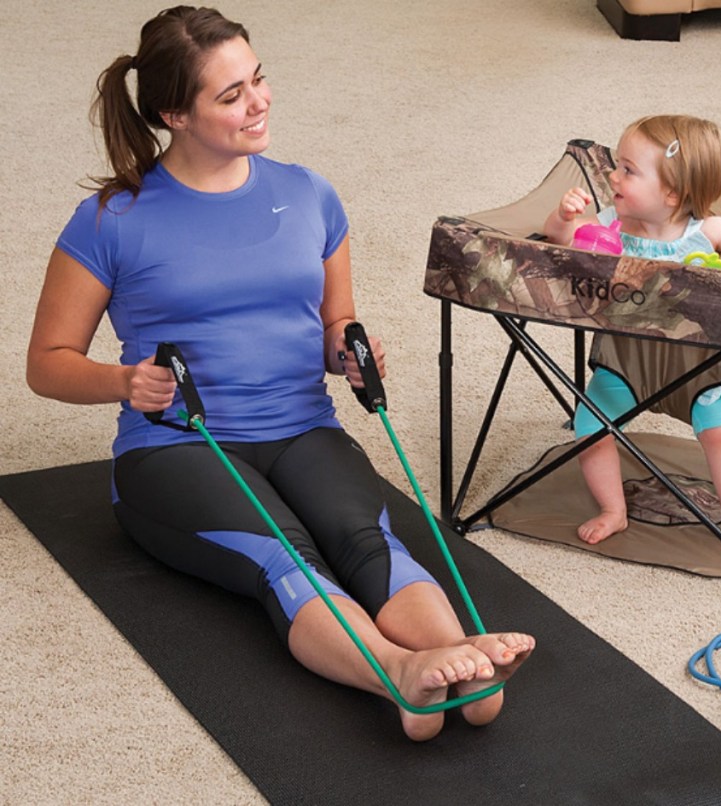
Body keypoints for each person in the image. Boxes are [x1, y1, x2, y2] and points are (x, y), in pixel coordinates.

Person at [25, 5, 532, 742]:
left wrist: (350, 355)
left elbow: (334, 325)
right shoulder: (113, 218)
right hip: (175, 447)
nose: (258, 101)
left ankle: (454, 657)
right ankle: (399, 674)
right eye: (230, 95)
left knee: (368, 540)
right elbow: (47, 365)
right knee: (284, 556)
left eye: (257, 79)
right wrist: (123, 381)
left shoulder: (308, 194)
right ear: (175, 112)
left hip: (303, 427)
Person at [543, 114, 721, 560]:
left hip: (699, 366)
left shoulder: (708, 232)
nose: (611, 176)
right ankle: (613, 508)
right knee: (590, 425)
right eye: (616, 165)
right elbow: (562, 244)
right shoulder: (611, 225)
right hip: (626, 358)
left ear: (673, 193)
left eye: (627, 170)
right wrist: (564, 219)